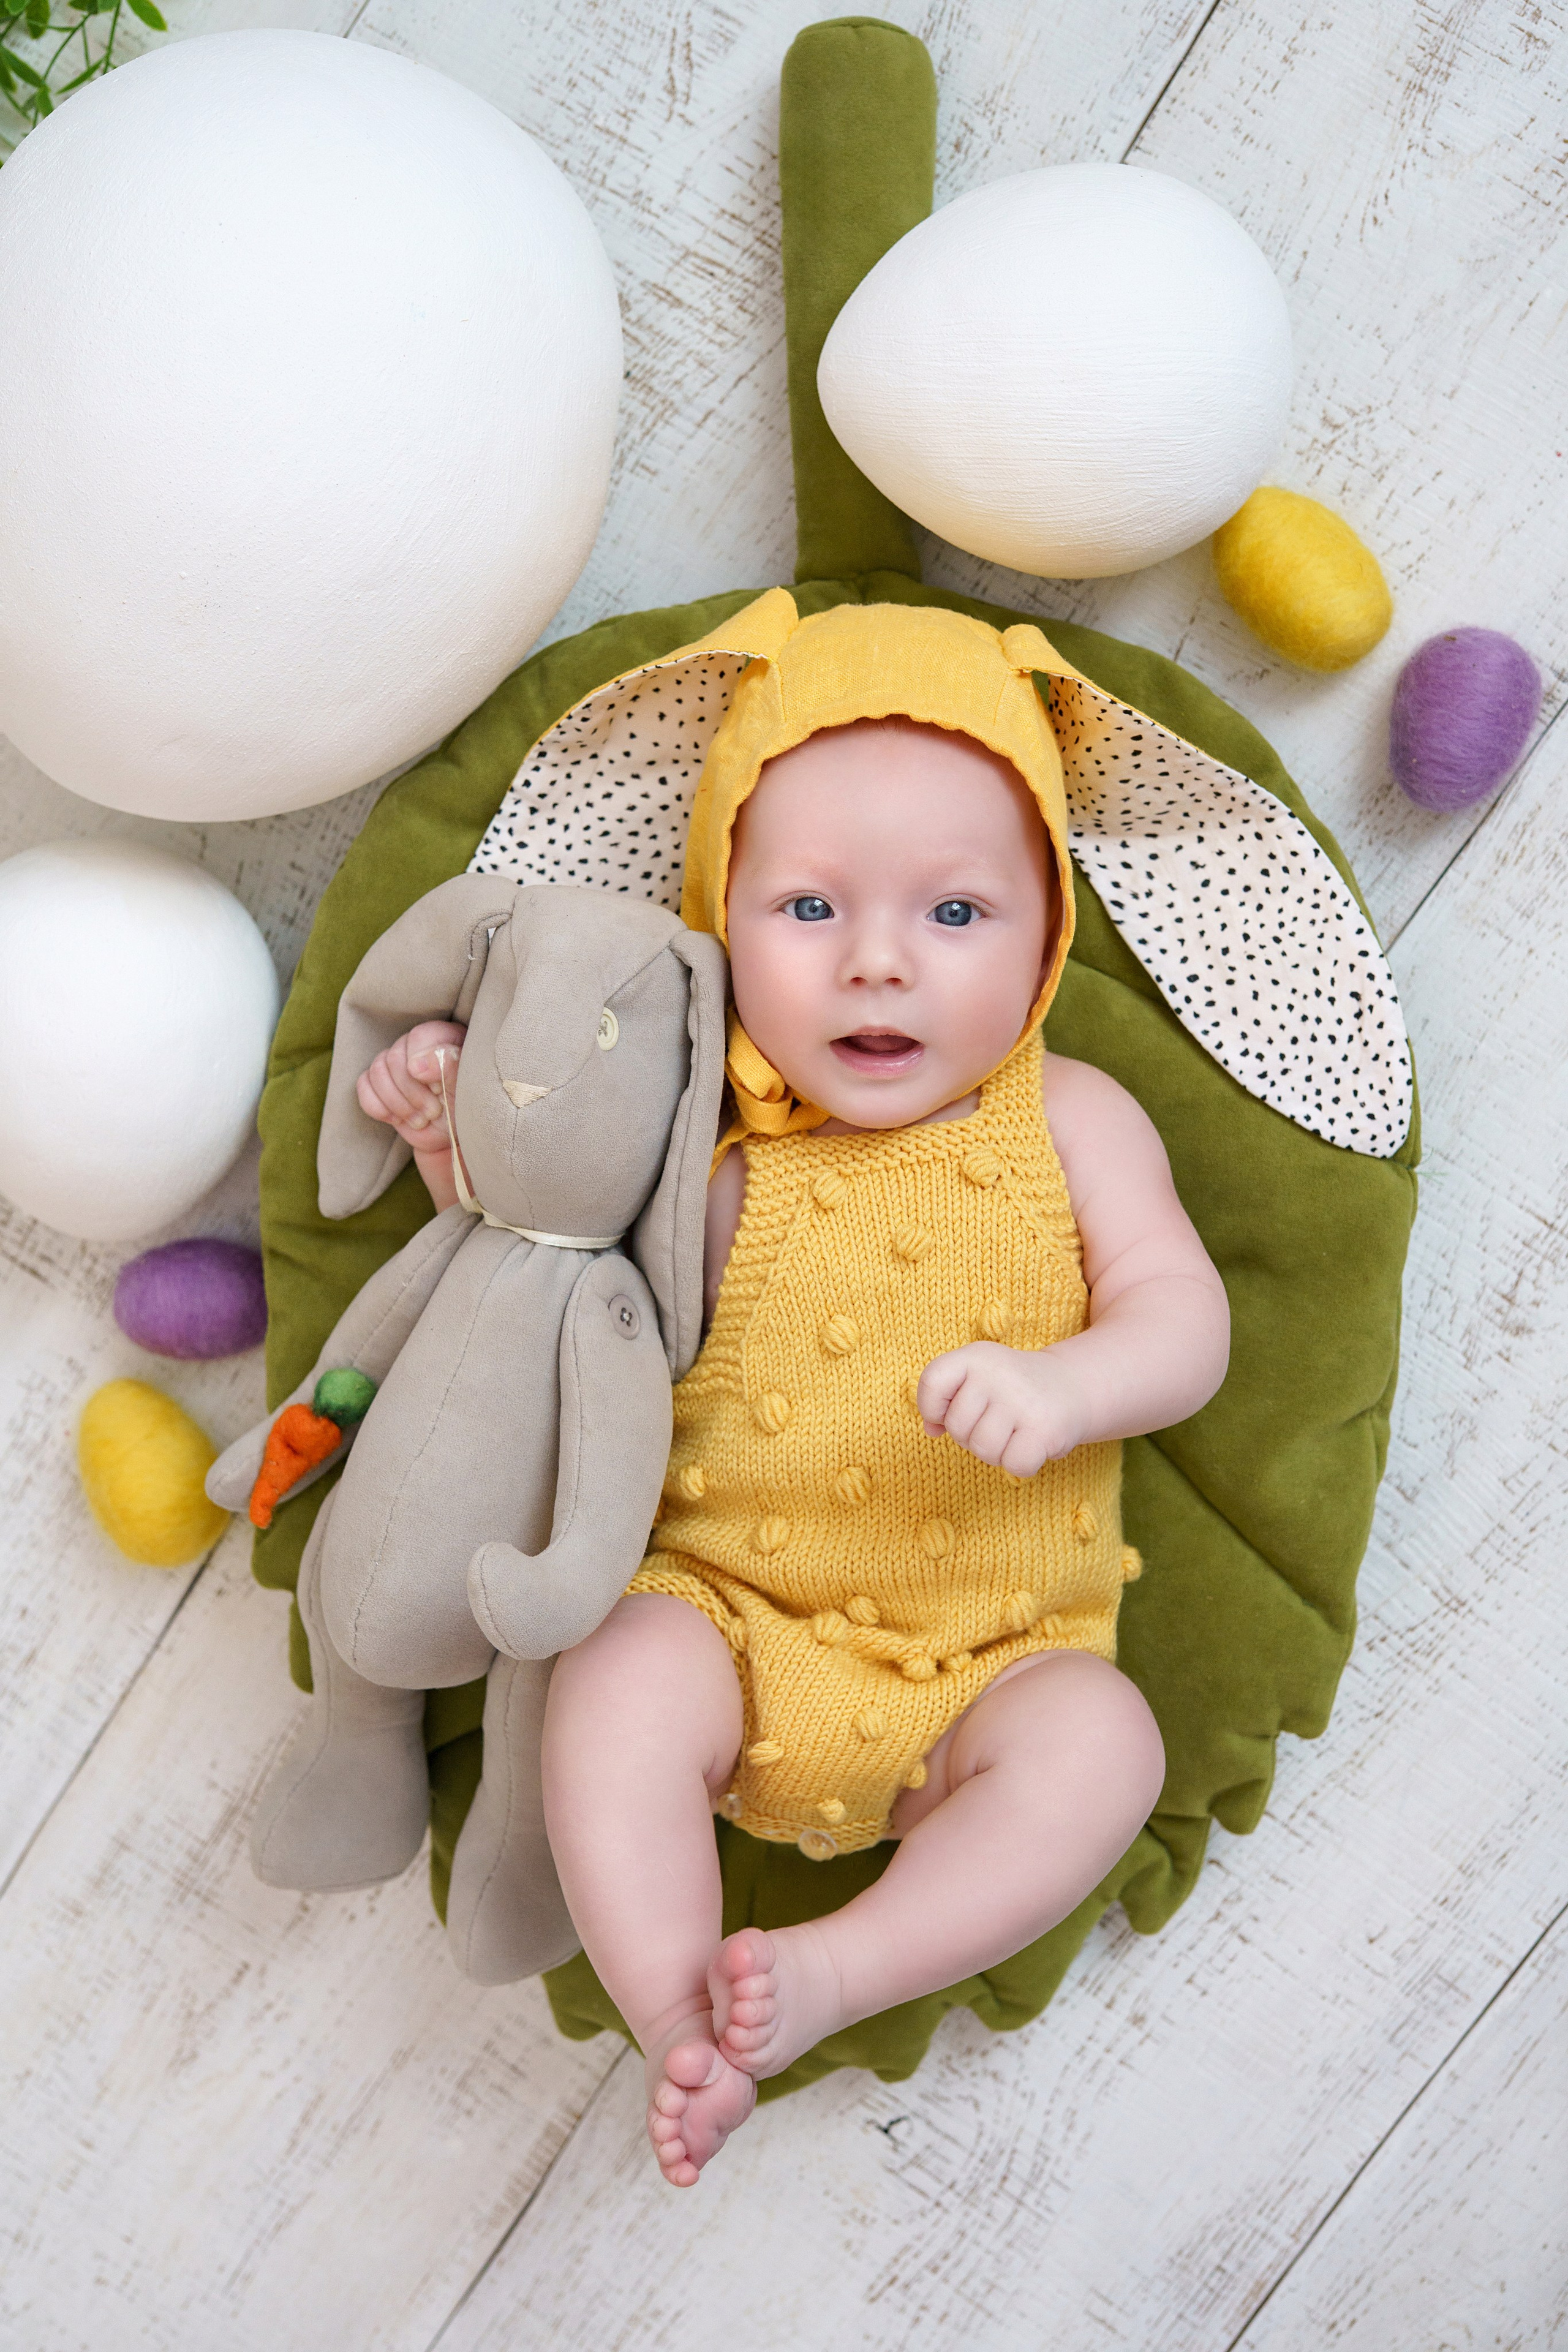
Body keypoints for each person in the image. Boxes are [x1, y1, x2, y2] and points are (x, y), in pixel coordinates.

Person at [355, 605, 1230, 2187]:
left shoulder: (1074, 1123)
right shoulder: (702, 1159)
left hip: (990, 1670)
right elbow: (540, 1284)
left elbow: (1188, 1325)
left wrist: (1072, 1384)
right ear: (720, 922)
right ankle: (675, 2010)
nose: (877, 959)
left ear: (1047, 937)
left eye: (957, 910)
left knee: (1109, 1750)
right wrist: (442, 1143)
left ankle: (840, 1972)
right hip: (727, 1627)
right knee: (610, 1671)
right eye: (811, 905)